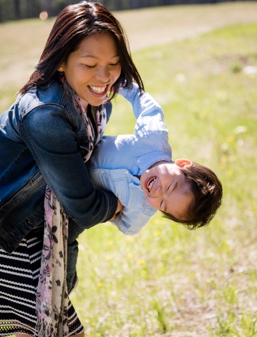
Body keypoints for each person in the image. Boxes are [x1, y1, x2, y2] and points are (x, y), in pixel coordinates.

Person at [0, 1, 143, 337]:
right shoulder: (46, 115)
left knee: (54, 336)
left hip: (27, 226)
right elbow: (82, 203)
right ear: (62, 62)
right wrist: (121, 202)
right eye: (90, 64)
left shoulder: (93, 102)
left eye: (113, 63)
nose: (104, 76)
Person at [87, 82, 222, 238]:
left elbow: (128, 228)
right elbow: (147, 107)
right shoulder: (153, 139)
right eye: (171, 187)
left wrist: (112, 211)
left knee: (72, 233)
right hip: (82, 145)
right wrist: (119, 84)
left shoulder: (141, 209)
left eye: (163, 205)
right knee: (99, 106)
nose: (158, 193)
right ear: (182, 164)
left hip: (75, 191)